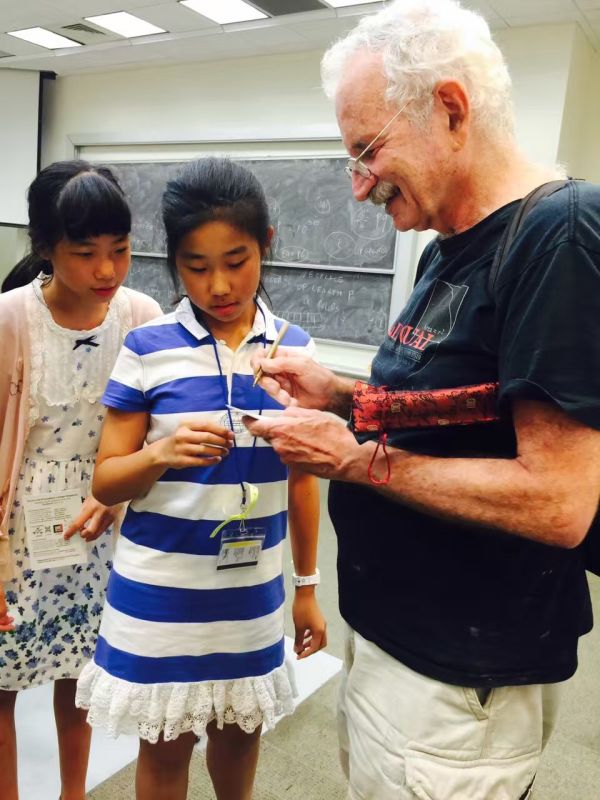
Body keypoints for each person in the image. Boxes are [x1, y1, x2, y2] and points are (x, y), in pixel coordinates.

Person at [244, 2, 600, 799]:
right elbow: (462, 411)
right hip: (397, 642)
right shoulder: (450, 249)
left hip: (459, 677)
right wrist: (343, 396)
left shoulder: (560, 235)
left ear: (451, 109)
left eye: (368, 150)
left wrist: (355, 462)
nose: (359, 186)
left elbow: (559, 501)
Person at [76, 157, 326, 800]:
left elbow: (302, 481)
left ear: (266, 244)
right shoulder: (148, 347)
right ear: (174, 264)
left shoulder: (295, 350)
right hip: (160, 594)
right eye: (196, 266)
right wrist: (160, 454)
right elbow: (107, 481)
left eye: (236, 261)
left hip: (249, 592)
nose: (218, 285)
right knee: (164, 751)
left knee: (240, 738)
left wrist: (305, 587)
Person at [0, 160, 162, 800]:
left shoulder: (140, 316)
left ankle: (74, 793)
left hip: (99, 531)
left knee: (80, 674)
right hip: (15, 537)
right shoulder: (11, 320)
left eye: (120, 250)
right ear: (46, 248)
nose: (107, 270)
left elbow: (152, 431)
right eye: (85, 252)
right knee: (2, 683)